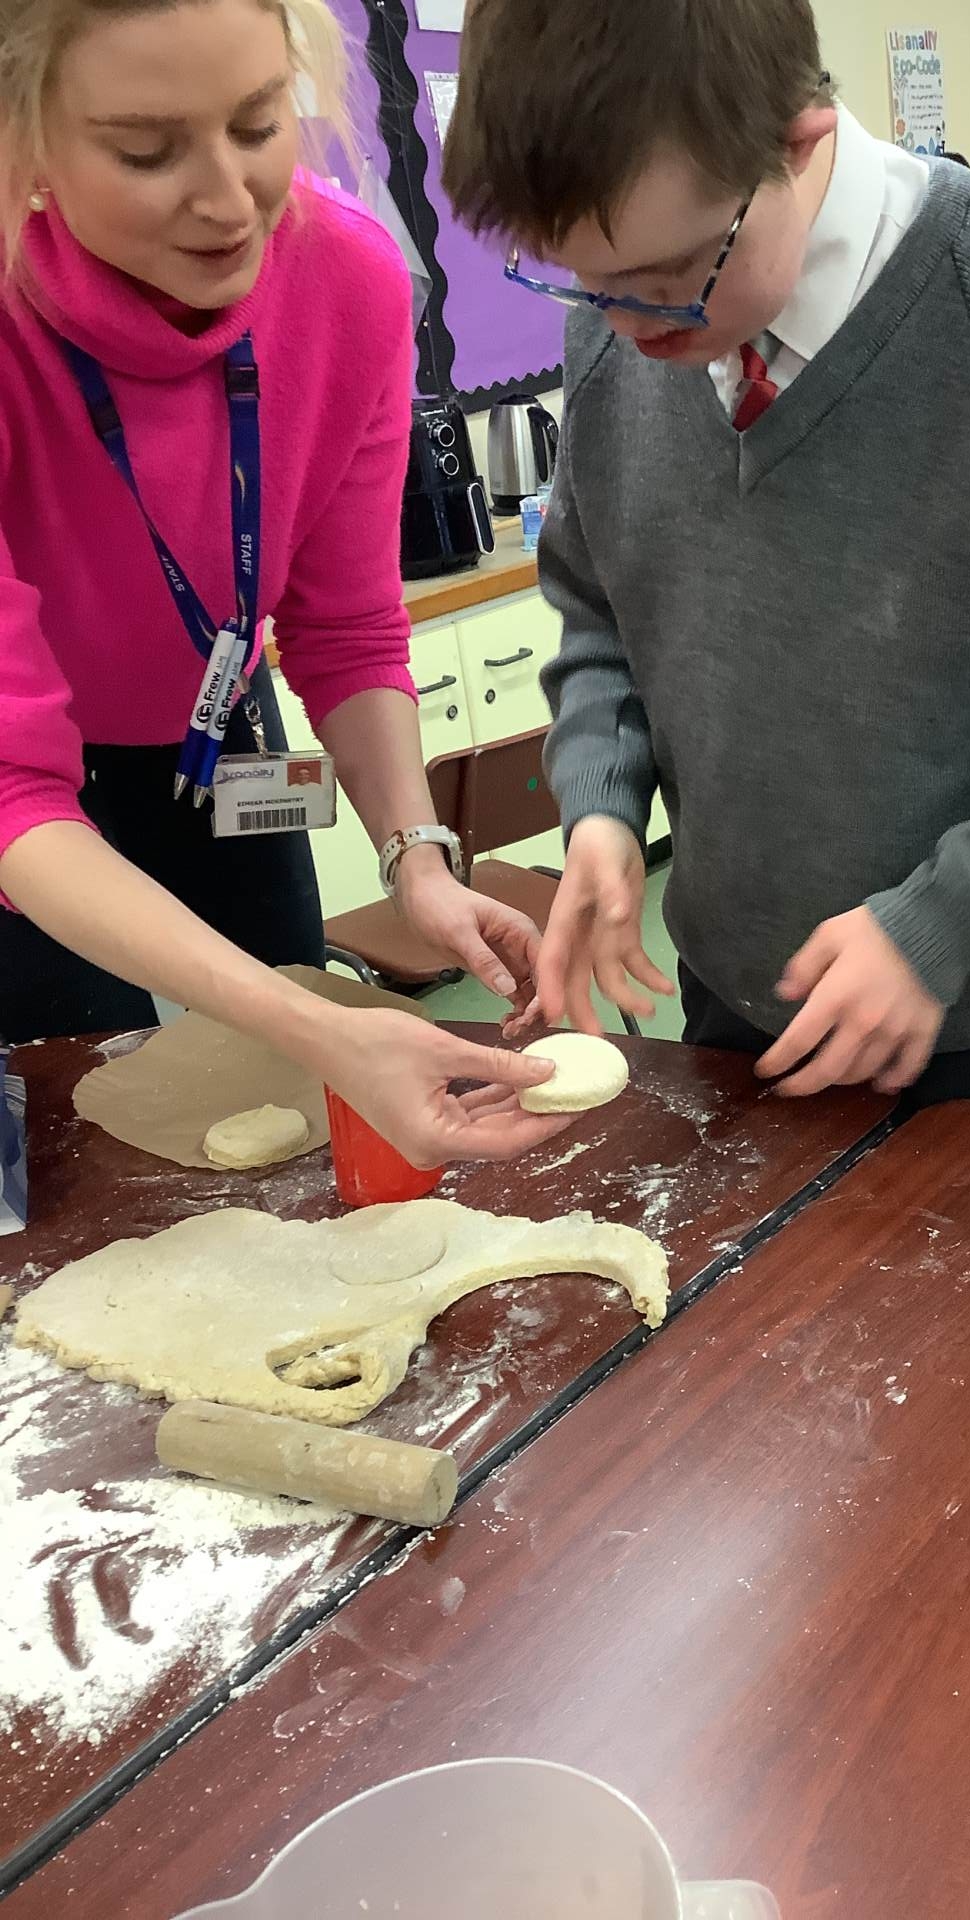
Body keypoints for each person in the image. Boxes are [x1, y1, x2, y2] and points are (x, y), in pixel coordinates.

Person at [443, 0, 970, 1121]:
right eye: (582, 282)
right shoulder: (621, 328)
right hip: (730, 992)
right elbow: (602, 620)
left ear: (799, 138)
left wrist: (940, 927)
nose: (627, 326)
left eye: (670, 273)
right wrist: (602, 806)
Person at [0, 0, 567, 1166]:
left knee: (301, 1116)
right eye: (146, 151)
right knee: (70, 1141)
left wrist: (417, 859)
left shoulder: (346, 278)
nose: (227, 200)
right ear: (27, 141)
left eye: (259, 124)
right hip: (27, 800)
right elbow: (14, 791)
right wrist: (324, 1028)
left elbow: (349, 631)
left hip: (220, 739)